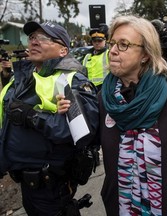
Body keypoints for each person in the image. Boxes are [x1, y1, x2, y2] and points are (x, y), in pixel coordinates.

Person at [58, 15, 167, 216]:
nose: (113, 50)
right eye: (112, 43)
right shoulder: (102, 99)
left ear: (145, 54)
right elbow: (87, 142)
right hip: (120, 206)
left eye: (123, 44)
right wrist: (69, 115)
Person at [0, 21, 99, 215]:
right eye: (32, 38)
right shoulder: (19, 77)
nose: (34, 42)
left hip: (51, 185)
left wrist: (31, 115)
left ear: (63, 50)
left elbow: (79, 132)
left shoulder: (72, 80)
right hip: (24, 180)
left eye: (43, 38)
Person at [82, 24, 109, 91]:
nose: (97, 43)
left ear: (105, 41)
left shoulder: (109, 53)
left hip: (105, 88)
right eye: (94, 41)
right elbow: (83, 73)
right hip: (90, 89)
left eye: (100, 41)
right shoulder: (87, 56)